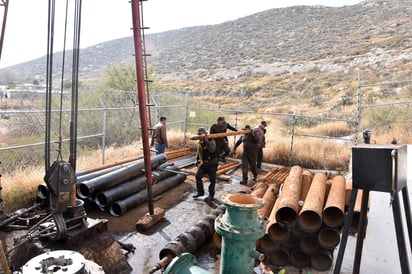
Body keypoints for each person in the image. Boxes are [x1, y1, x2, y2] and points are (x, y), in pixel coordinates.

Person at [193, 127, 218, 202]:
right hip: (203, 163)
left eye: (200, 134)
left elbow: (212, 149)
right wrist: (197, 159)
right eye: (198, 134)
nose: (199, 135)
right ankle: (200, 193)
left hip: (212, 163)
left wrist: (206, 140)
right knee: (198, 176)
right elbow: (199, 151)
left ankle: (211, 195)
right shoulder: (199, 141)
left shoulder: (211, 139)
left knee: (212, 180)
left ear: (204, 133)